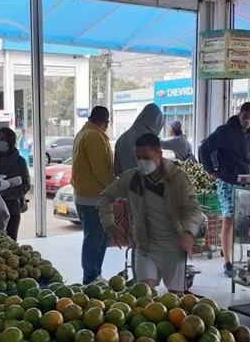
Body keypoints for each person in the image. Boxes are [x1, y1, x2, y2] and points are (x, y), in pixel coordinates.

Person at [99, 133, 203, 292]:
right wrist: (110, 225)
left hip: (174, 248)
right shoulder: (132, 178)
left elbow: (193, 208)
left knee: (176, 299)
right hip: (145, 247)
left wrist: (188, 232)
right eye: (138, 158)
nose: (142, 162)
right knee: (144, 296)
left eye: (146, 157)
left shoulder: (178, 178)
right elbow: (106, 196)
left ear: (159, 154)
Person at [199, 102, 250, 278]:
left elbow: (249, 157)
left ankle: (247, 260)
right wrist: (210, 170)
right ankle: (228, 262)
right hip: (227, 180)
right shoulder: (224, 131)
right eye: (245, 116)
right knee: (228, 218)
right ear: (239, 114)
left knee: (246, 220)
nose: (247, 120)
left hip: (245, 181)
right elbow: (204, 148)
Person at [72, 106, 115, 284]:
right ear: (106, 122)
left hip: (90, 196)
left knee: (100, 238)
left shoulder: (85, 133)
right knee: (95, 239)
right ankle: (90, 278)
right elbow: (101, 170)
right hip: (91, 199)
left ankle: (95, 274)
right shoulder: (94, 137)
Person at [0, 127, 31, 240]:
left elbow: (26, 185)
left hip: (12, 208)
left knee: (10, 241)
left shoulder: (19, 161)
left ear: (10, 142)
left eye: (3, 139)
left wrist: (6, 194)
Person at [113, 103, 164, 175]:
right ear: (157, 122)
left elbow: (117, 171)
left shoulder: (121, 138)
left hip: (126, 184)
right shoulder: (150, 140)